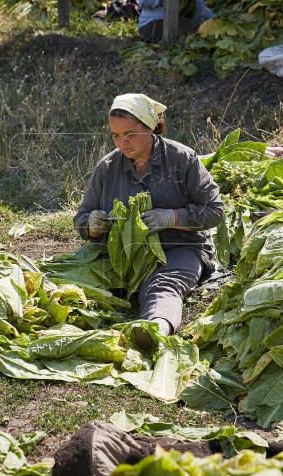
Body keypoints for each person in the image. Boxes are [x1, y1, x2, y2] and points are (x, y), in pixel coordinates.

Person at [73, 94, 223, 347]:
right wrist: (93, 224)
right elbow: (83, 216)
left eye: (130, 133)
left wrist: (171, 217)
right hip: (122, 252)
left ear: (150, 128)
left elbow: (214, 211)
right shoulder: (107, 167)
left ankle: (155, 328)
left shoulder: (182, 159)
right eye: (116, 135)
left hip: (179, 247)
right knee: (81, 282)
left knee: (162, 284)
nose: (123, 142)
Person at [138, 0, 215, 44]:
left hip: (175, 22)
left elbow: (201, 8)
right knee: (194, 29)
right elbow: (144, 2)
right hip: (151, 25)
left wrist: (217, 22)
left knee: (204, 30)